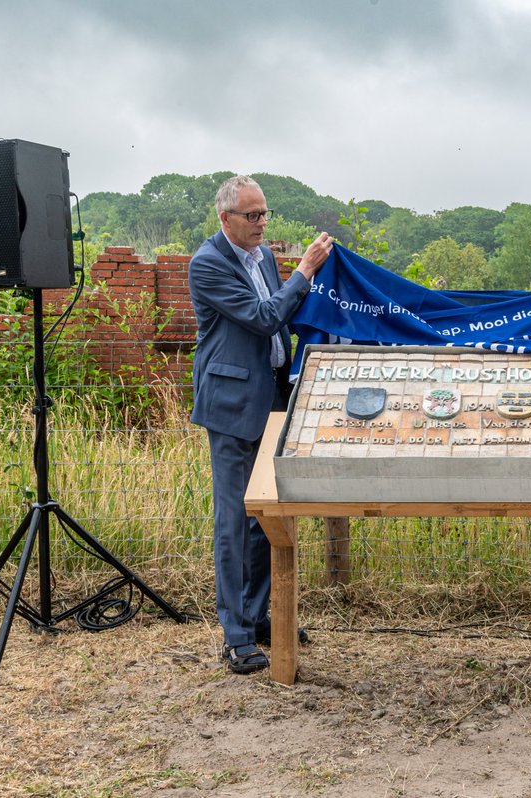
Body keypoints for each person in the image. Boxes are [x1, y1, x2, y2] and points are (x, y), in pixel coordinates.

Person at [188, 175, 334, 675]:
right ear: (225, 218)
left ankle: (258, 617)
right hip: (231, 408)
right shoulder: (207, 264)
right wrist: (306, 272)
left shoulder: (265, 258)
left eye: (265, 214)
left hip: (273, 399)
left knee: (267, 518)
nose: (261, 223)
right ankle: (234, 636)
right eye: (252, 216)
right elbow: (264, 316)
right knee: (233, 523)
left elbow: (286, 316)